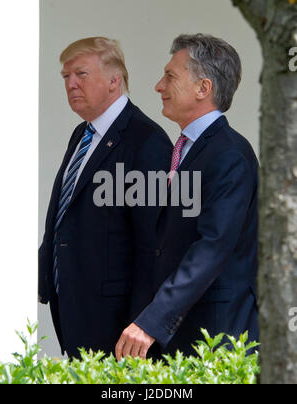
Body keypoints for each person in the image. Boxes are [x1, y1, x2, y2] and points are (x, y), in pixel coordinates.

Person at [116, 34, 259, 360]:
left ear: (203, 88)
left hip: (214, 339)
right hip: (179, 336)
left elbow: (211, 248)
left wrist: (152, 320)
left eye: (170, 76)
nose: (158, 86)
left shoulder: (229, 155)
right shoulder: (187, 150)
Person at [38, 37, 173, 359]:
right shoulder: (82, 134)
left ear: (115, 80)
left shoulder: (147, 142)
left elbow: (153, 245)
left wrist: (143, 323)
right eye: (65, 77)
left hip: (118, 325)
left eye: (81, 74)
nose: (71, 84)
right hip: (73, 306)